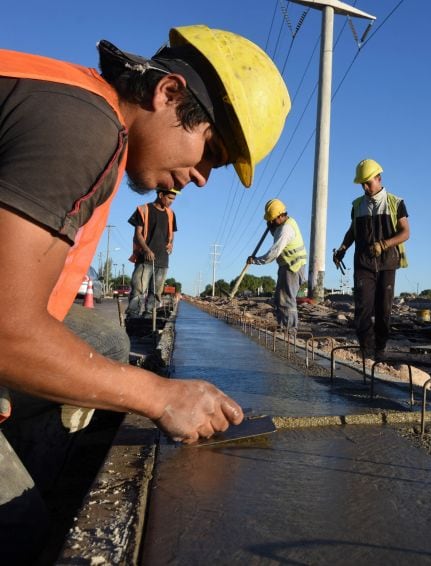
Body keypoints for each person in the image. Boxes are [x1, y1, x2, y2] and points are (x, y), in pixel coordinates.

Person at [0, 25, 290, 561]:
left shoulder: (84, 115)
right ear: (169, 93)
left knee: (105, 342)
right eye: (212, 151)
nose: (203, 177)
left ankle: (56, 466)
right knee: (17, 525)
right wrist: (158, 395)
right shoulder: (83, 127)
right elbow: (4, 330)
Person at [333, 159, 410, 358]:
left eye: (368, 182)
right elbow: (352, 231)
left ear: (379, 178)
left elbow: (405, 233)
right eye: (362, 184)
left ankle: (380, 349)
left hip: (387, 264)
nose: (365, 187)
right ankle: (366, 352)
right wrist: (343, 248)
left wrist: (383, 244)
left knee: (383, 311)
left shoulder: (396, 203)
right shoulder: (357, 205)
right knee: (363, 310)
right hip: (363, 264)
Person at [248, 199, 307, 330]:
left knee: (286, 300)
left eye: (272, 220)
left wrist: (256, 260)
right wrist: (271, 228)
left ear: (281, 216)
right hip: (287, 266)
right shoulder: (283, 224)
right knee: (280, 299)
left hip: (293, 267)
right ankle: (284, 326)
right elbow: (276, 233)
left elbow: (274, 253)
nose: (270, 222)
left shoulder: (286, 229)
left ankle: (289, 331)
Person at [127, 187, 180, 317]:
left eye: (174, 199)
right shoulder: (143, 209)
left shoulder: (171, 214)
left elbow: (172, 233)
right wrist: (146, 250)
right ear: (161, 194)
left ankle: (149, 315)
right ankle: (133, 316)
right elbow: (137, 235)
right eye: (169, 198)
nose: (171, 201)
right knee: (138, 289)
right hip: (145, 259)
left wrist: (171, 244)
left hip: (162, 260)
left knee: (156, 292)